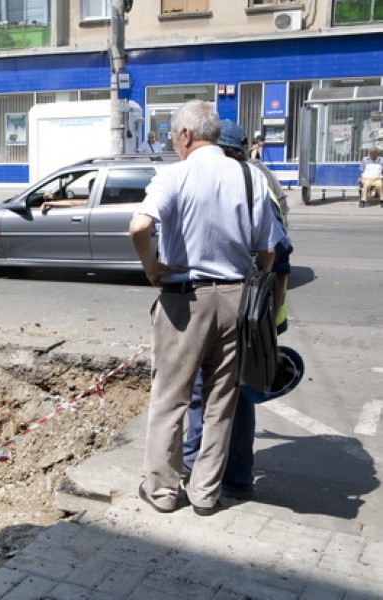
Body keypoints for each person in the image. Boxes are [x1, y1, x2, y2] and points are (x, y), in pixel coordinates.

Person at [128, 100, 275, 516]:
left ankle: (162, 491)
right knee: (221, 401)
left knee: (170, 400)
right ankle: (206, 494)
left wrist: (153, 267)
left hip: (183, 301)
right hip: (235, 300)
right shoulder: (251, 176)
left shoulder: (174, 175)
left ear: (187, 136)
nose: (174, 145)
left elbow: (139, 226)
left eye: (174, 138)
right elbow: (267, 250)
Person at [181, 119, 294, 500]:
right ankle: (222, 473)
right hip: (253, 312)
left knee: (224, 394)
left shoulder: (247, 183)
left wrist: (263, 320)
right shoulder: (248, 180)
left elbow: (277, 261)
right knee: (228, 392)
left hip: (247, 313)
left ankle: (219, 474)